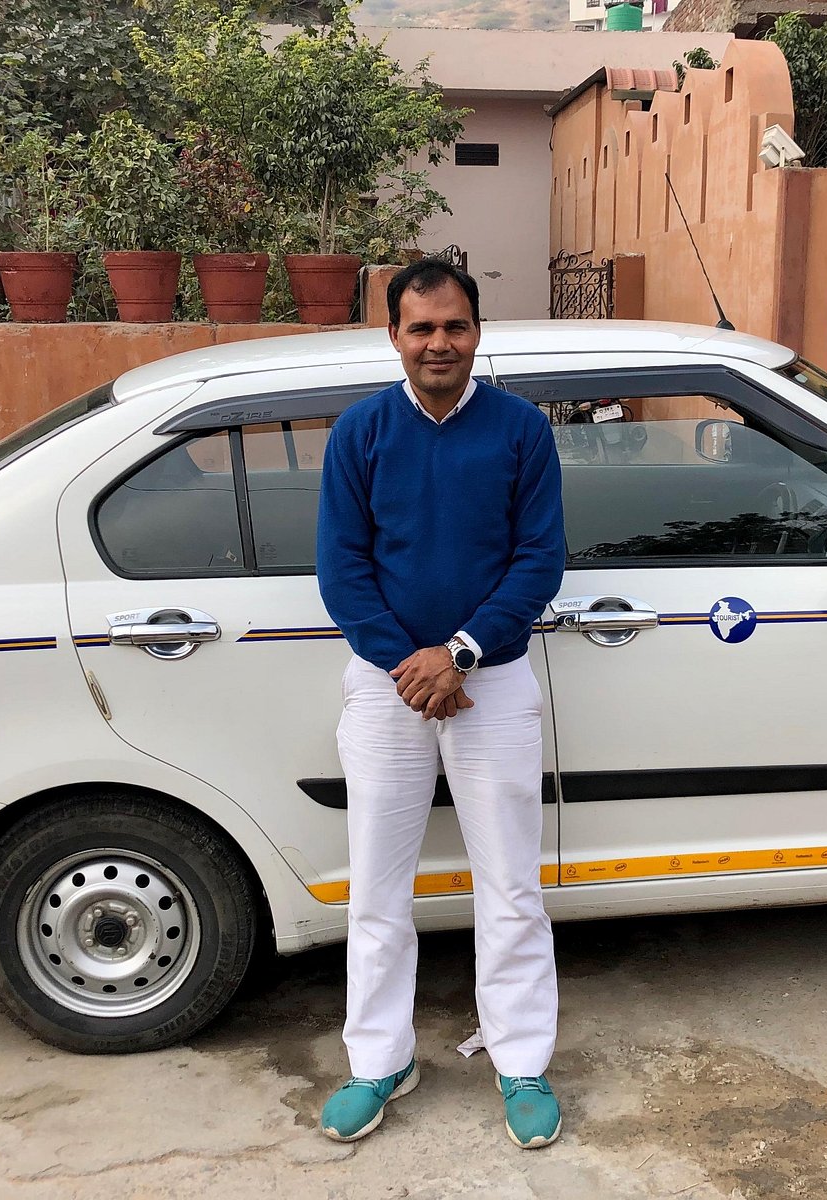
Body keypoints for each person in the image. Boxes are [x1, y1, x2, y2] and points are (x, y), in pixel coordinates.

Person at [315, 259, 567, 1149]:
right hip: (387, 691)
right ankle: (379, 1060)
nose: (438, 344)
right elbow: (341, 571)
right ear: (393, 337)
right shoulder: (360, 434)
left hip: (488, 683)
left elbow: (539, 561)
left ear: (477, 333)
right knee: (377, 890)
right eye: (420, 329)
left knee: (512, 884)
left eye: (454, 326)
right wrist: (412, 666)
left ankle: (521, 1057)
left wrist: (457, 654)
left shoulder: (521, 432)